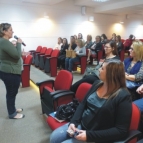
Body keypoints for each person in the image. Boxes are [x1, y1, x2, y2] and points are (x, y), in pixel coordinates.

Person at [50, 59, 132, 143]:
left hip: (97, 134)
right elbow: (82, 104)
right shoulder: (97, 84)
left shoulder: (123, 96)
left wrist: (89, 135)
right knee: (54, 137)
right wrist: (73, 122)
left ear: (111, 74)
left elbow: (121, 130)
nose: (99, 70)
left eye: (102, 68)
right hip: (82, 125)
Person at [0, 23, 24, 119]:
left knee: (11, 92)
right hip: (10, 72)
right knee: (11, 92)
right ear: (4, 32)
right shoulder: (4, 42)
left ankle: (13, 109)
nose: (12, 31)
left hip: (8, 70)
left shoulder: (3, 41)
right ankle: (12, 114)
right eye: (10, 30)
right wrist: (19, 43)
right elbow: (17, 55)